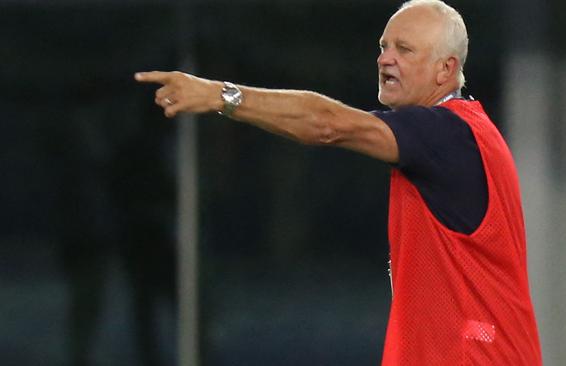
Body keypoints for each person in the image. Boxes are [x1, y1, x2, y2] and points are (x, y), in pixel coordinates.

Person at [136, 0, 542, 364]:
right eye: (383, 46)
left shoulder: (446, 134)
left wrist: (220, 95)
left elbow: (327, 124)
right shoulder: (461, 134)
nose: (385, 60)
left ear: (446, 69)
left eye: (404, 49)